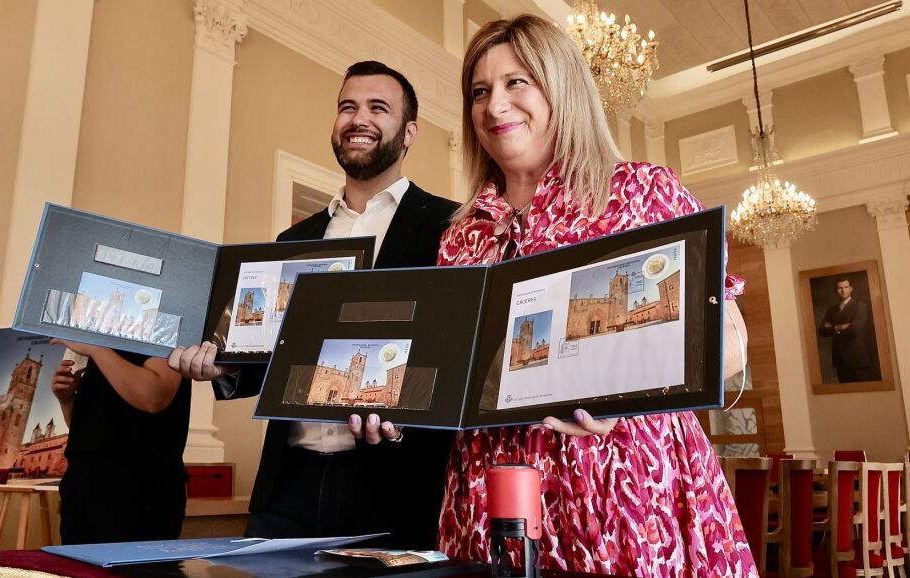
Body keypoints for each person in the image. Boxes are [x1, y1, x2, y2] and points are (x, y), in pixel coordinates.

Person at [433, 16, 755, 575]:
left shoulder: (641, 192)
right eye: (479, 92)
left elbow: (730, 345)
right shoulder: (461, 235)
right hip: (491, 487)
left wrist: (619, 392)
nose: (494, 105)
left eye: (516, 82)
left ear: (561, 87)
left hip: (625, 482)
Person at [169, 61, 459, 549]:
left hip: (393, 484)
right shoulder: (295, 239)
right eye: (348, 107)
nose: (358, 118)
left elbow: (454, 351)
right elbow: (279, 351)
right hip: (288, 486)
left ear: (409, 133)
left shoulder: (450, 227)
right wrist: (228, 368)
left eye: (378, 108)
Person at [51, 342, 190, 545]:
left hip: (140, 489)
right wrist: (66, 399)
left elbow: (154, 397)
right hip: (80, 486)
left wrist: (95, 347)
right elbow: (86, 429)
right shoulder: (94, 341)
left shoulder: (162, 327)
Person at [817, 277, 877, 383]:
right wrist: (838, 327)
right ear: (836, 290)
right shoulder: (831, 310)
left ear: (851, 288)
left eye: (846, 287)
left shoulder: (860, 306)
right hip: (840, 358)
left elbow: (854, 330)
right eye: (840, 288)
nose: (843, 290)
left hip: (857, 359)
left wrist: (832, 328)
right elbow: (822, 331)